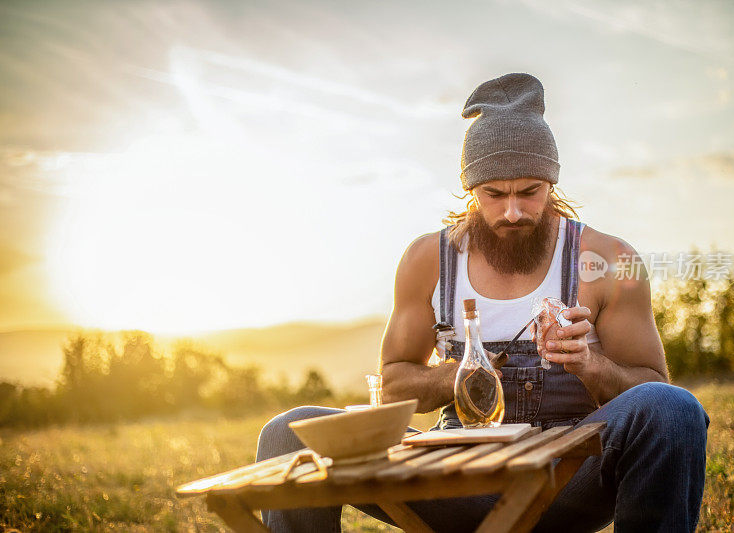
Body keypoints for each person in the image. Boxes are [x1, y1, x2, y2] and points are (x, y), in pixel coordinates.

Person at [256, 73, 710, 532]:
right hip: (449, 480)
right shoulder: (427, 260)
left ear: (551, 183)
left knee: (674, 409)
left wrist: (589, 365)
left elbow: (654, 388)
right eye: (494, 194)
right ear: (472, 190)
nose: (512, 212)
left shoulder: (608, 259)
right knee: (285, 432)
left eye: (530, 192)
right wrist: (460, 374)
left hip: (566, 481)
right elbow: (393, 386)